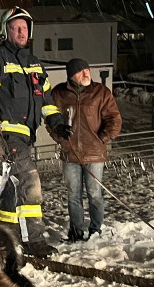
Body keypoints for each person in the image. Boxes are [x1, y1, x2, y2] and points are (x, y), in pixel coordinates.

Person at [0, 6, 69, 258]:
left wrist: (57, 123)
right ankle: (34, 240)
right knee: (30, 182)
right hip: (6, 135)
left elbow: (46, 101)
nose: (21, 32)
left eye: (24, 27)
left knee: (10, 188)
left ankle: (6, 235)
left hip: (25, 137)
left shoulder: (34, 63)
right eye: (15, 28)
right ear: (6, 31)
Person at [49, 57, 122, 242]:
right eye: (81, 71)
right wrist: (61, 138)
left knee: (94, 194)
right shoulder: (59, 93)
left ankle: (95, 230)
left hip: (94, 154)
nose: (86, 73)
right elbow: (50, 120)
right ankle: (77, 231)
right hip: (70, 154)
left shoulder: (100, 92)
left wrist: (101, 139)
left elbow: (114, 119)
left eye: (87, 69)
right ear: (71, 75)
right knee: (73, 195)